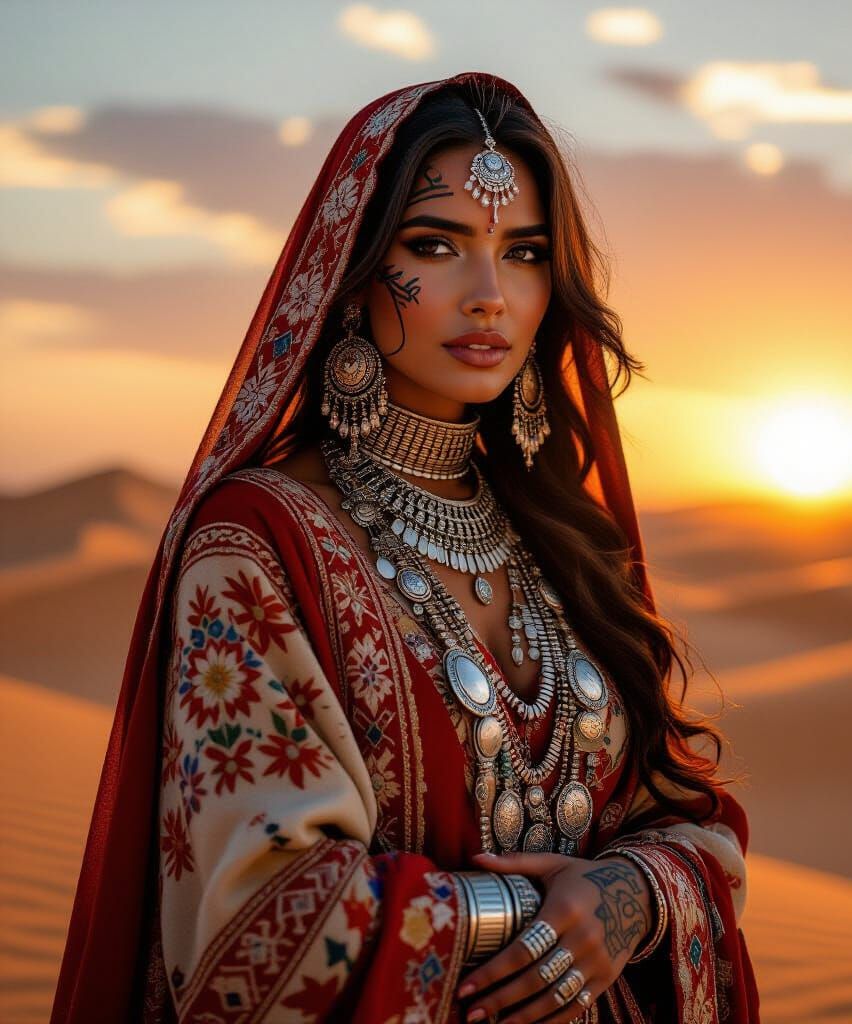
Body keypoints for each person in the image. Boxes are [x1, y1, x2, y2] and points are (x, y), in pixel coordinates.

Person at [51, 71, 759, 1023]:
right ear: (351, 274)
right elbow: (260, 932)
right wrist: (538, 913)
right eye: (436, 245)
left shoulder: (558, 539)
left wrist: (627, 899)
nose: (489, 296)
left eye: (525, 253)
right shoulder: (259, 545)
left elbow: (682, 821)